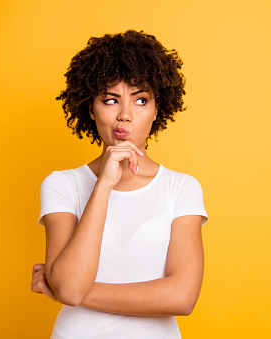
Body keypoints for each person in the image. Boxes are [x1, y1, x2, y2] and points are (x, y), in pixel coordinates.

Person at [30, 29, 208, 339]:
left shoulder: (181, 188)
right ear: (91, 107)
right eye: (110, 100)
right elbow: (69, 286)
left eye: (140, 100)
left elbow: (182, 297)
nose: (124, 115)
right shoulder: (62, 184)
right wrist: (103, 186)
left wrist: (68, 290)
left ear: (157, 110)